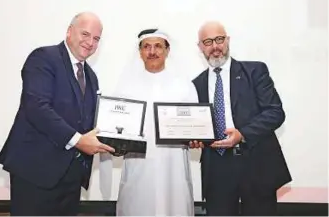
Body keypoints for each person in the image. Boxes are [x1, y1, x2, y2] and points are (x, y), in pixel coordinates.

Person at [0, 12, 115, 216]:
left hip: (71, 178)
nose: (90, 42)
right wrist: (78, 140)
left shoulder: (91, 77)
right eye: (85, 34)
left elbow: (89, 122)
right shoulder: (43, 58)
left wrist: (117, 141)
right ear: (69, 32)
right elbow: (37, 107)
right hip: (36, 173)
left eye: (96, 39)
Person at [189, 21, 292, 216]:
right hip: (216, 167)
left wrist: (242, 134)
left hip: (255, 161)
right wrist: (193, 140)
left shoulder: (254, 71)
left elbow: (275, 112)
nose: (215, 46)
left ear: (227, 41)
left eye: (219, 39)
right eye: (208, 41)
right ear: (200, 47)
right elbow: (195, 124)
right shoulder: (195, 84)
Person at [99, 28, 197, 216]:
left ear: (167, 51)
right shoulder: (125, 87)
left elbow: (194, 126)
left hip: (173, 166)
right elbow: (115, 128)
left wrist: (196, 138)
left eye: (158, 46)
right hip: (138, 165)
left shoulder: (184, 85)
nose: (152, 52)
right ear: (140, 52)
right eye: (147, 47)